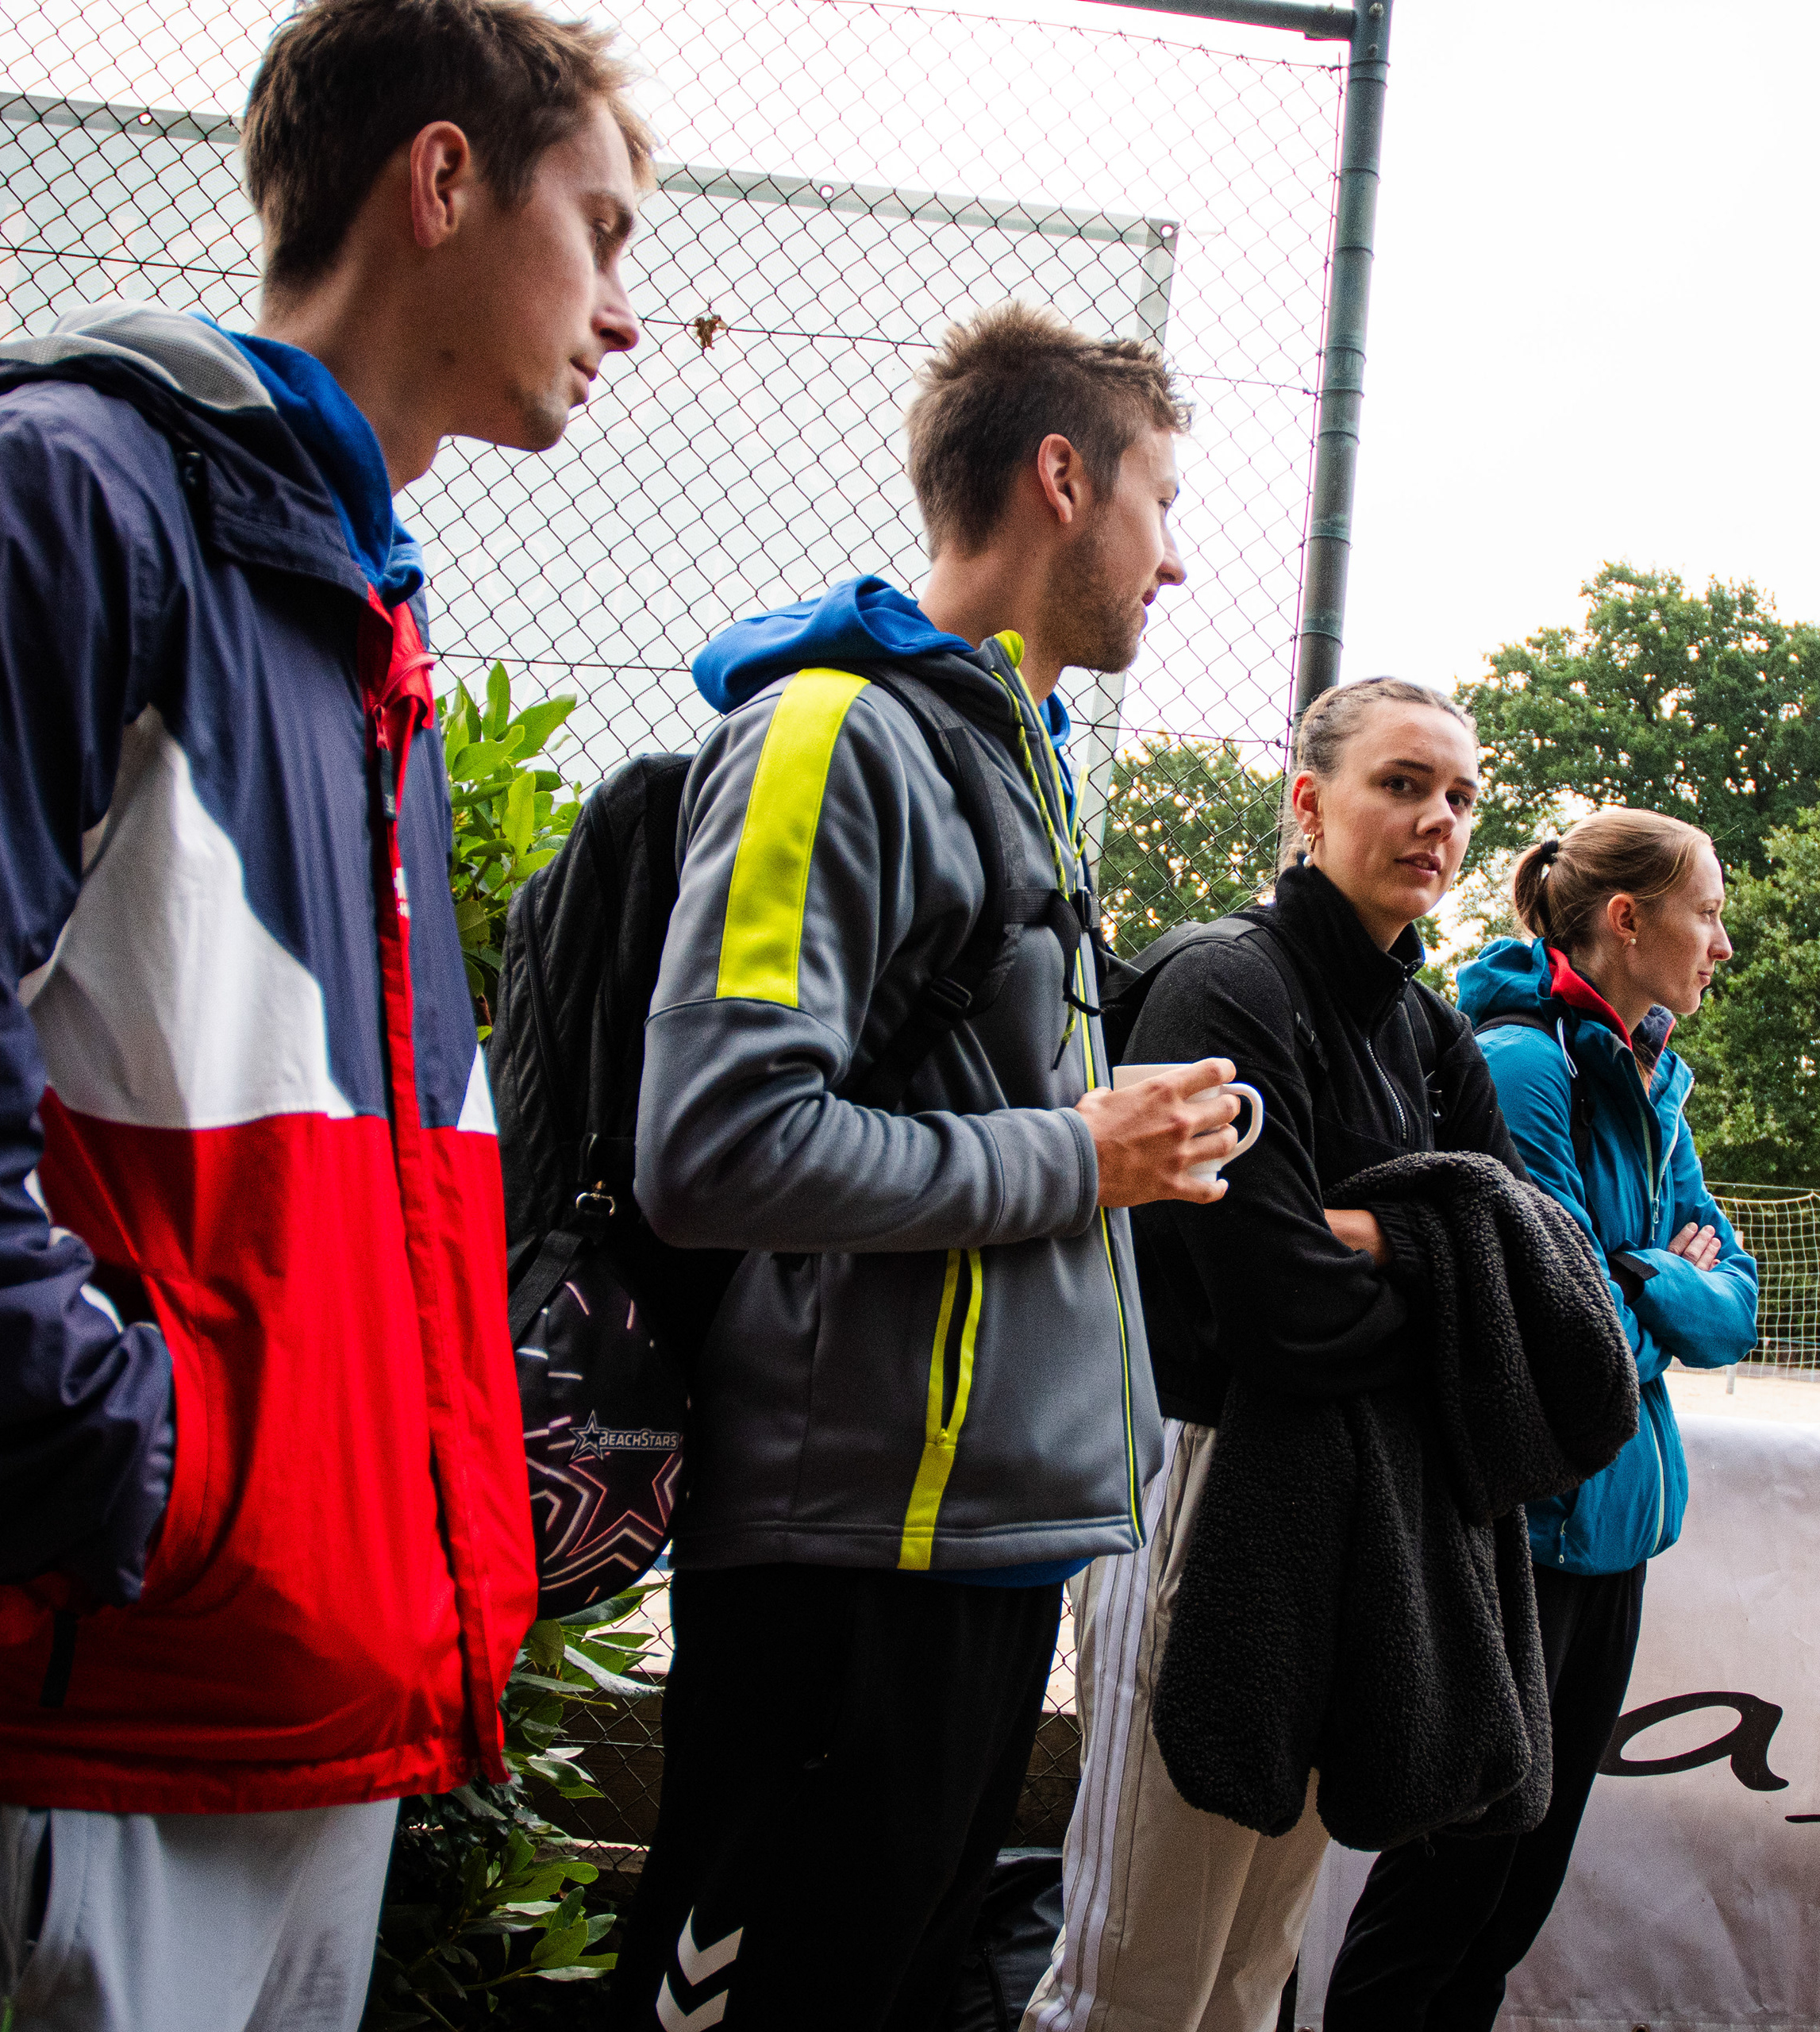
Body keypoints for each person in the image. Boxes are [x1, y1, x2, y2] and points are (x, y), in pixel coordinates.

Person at [0, 5, 652, 2025]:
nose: (627, 315)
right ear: (443, 178)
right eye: (605, 228)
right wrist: (158, 1493)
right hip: (35, 1745)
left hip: (287, 1729)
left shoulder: (345, 613)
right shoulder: (29, 503)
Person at [610, 302, 1236, 2032]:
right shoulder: (831, 736)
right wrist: (1079, 1153)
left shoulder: (1008, 755)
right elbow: (717, 1144)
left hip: (981, 1548)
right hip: (850, 1565)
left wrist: (1098, 1136)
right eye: (1162, 503)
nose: (1174, 560)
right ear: (1063, 478)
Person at [1029, 677, 1522, 2032]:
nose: (1438, 820)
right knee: (1140, 1968)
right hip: (1203, 1482)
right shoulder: (1223, 984)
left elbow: (1530, 1285)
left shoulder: (1427, 1030)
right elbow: (1291, 1316)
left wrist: (1394, 1246)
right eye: (1402, 784)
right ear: (1310, 803)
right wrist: (1441, 1263)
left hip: (1357, 1512)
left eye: (1461, 796)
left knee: (1254, 1969)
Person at [1322, 808, 1760, 2030]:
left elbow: (1736, 1305)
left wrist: (1643, 1281)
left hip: (1611, 1538)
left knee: (1512, 1901)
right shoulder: (1526, 1069)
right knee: (1449, 1887)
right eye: (1709, 913)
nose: (1724, 944)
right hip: (1524, 1532)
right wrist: (1650, 1291)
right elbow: (1559, 1339)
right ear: (1630, 919)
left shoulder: (1655, 1077)